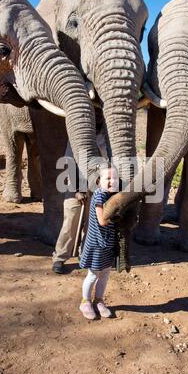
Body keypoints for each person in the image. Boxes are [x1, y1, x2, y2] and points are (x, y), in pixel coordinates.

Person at [52, 107, 108, 274]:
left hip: (97, 191)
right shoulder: (78, 134)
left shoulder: (106, 137)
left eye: (100, 113)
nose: (97, 116)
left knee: (91, 226)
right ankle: (59, 258)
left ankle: (85, 255)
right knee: (70, 224)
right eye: (94, 112)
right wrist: (76, 190)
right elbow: (68, 162)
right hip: (75, 190)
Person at [79, 163, 119, 320]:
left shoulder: (112, 195)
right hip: (97, 244)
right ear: (98, 181)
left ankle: (99, 300)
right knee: (93, 275)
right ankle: (85, 302)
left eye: (115, 178)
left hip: (107, 244)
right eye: (108, 178)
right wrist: (119, 215)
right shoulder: (99, 195)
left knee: (105, 275)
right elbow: (102, 220)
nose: (112, 181)